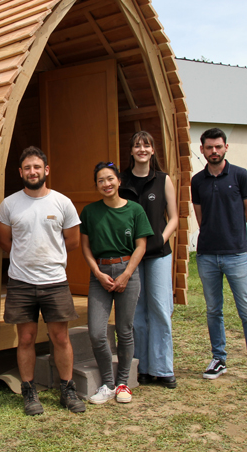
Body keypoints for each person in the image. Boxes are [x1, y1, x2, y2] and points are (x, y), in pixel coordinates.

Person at [0, 146, 86, 415]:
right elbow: (4, 242)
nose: (32, 172)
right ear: (20, 172)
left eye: (37, 167)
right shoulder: (9, 204)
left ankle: (67, 389)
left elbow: (73, 241)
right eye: (27, 168)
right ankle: (29, 391)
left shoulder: (62, 202)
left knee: (60, 337)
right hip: (21, 283)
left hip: (55, 281)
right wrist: (27, 259)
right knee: (25, 338)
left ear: (46, 170)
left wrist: (47, 258)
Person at [191, 128, 247, 390]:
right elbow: (201, 218)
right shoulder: (197, 181)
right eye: (209, 148)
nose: (214, 151)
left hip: (236, 254)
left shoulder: (240, 175)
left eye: (218, 147)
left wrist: (229, 228)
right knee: (213, 311)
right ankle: (218, 359)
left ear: (226, 148)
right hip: (207, 255)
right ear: (203, 149)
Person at [80, 162, 153, 404]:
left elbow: (141, 245)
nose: (106, 184)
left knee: (124, 330)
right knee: (97, 332)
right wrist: (97, 273)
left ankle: (123, 383)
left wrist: (126, 274)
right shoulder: (90, 212)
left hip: (127, 271)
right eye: (101, 180)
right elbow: (86, 247)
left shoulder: (135, 210)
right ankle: (107, 384)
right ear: (97, 185)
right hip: (99, 273)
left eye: (110, 179)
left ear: (119, 181)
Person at [117, 132, 179, 389]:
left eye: (147, 145)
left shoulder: (163, 180)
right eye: (137, 145)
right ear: (131, 151)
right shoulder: (122, 181)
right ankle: (140, 367)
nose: (142, 149)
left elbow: (174, 217)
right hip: (131, 256)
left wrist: (160, 241)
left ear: (153, 151)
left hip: (157, 255)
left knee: (160, 309)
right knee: (136, 312)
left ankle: (163, 368)